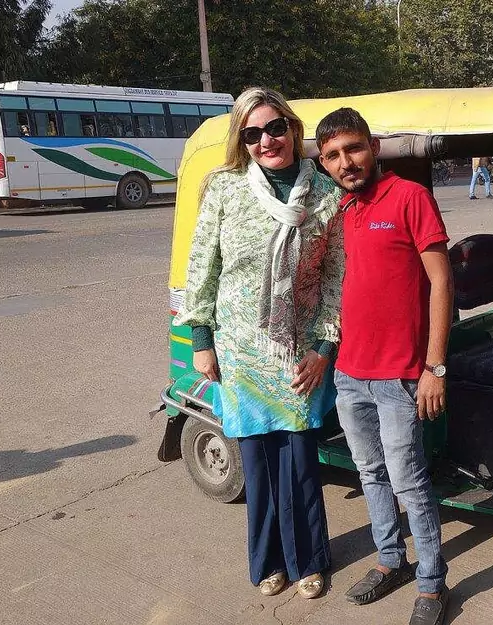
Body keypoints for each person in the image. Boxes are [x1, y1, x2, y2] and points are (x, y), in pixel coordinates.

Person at [173, 87, 343, 601]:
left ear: (292, 128)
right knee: (258, 465)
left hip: (299, 356)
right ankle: (269, 562)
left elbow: (336, 280)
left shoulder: (326, 193)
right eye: (252, 134)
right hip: (240, 353)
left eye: (274, 128)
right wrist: (201, 341)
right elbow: (202, 267)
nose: (266, 141)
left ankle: (309, 561)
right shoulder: (224, 189)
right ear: (242, 141)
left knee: (300, 464)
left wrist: (322, 349)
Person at [316, 107, 453, 625]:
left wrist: (434, 367)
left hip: (400, 377)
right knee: (370, 473)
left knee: (408, 482)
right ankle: (390, 559)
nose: (346, 162)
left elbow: (441, 281)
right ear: (324, 163)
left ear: (372, 147)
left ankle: (432, 584)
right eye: (333, 155)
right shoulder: (340, 210)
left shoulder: (409, 197)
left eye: (353, 148)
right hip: (350, 375)